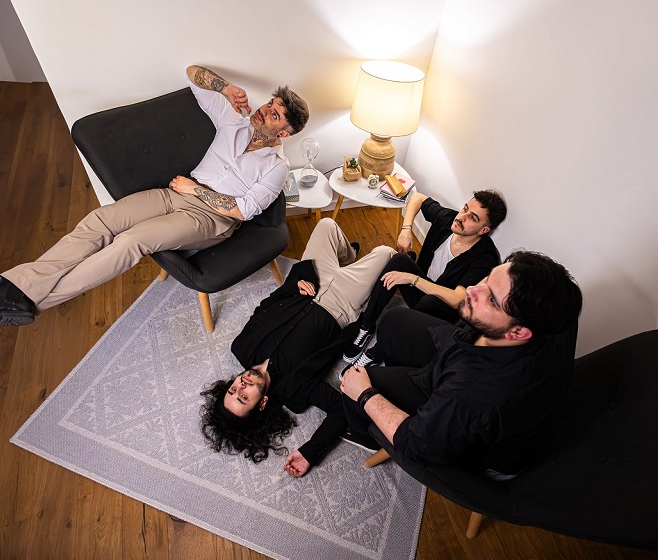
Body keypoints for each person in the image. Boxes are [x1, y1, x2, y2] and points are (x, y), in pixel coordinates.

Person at [0, 65, 309, 326]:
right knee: (101, 220)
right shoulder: (232, 120)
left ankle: (24, 301)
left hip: (210, 219)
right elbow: (192, 72)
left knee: (131, 241)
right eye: (269, 104)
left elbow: (241, 212)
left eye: (274, 115)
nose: (264, 111)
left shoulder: (277, 168)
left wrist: (195, 190)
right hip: (174, 193)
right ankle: (7, 293)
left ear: (284, 133)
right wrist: (226, 87)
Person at [339, 250, 583, 477]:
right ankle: (406, 387)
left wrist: (365, 395)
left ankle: (367, 436)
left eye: (491, 300)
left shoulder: (476, 392)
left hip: (467, 439)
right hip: (468, 356)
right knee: (394, 322)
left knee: (355, 385)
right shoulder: (555, 309)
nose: (473, 290)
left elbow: (419, 446)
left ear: (518, 332)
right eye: (487, 279)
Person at [200, 217, 396, 477]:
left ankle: (348, 259)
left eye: (233, 389)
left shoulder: (242, 347)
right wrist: (310, 452)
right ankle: (351, 267)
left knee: (326, 225)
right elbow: (340, 410)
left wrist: (292, 287)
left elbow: (264, 307)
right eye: (244, 397)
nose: (241, 385)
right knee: (387, 253)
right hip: (340, 303)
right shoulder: (294, 391)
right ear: (262, 404)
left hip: (310, 282)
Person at [341, 189, 506, 365]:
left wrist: (412, 279)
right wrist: (406, 229)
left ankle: (380, 349)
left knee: (430, 301)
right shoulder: (449, 220)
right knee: (400, 261)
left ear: (484, 230)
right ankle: (366, 326)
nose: (462, 217)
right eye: (465, 208)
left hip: (441, 309)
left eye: (472, 218)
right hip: (420, 289)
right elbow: (417, 198)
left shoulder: (485, 258)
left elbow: (458, 299)